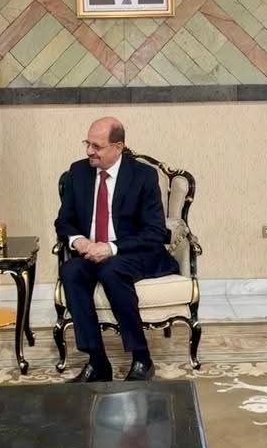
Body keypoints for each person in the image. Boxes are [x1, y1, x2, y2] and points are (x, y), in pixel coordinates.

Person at [55, 116, 179, 383]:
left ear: (118, 146)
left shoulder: (142, 176)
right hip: (90, 252)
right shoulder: (78, 172)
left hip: (133, 252)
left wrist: (111, 248)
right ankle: (97, 361)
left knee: (112, 270)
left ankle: (142, 358)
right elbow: (63, 222)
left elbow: (155, 231)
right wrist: (79, 241)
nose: (89, 151)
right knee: (71, 270)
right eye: (87, 143)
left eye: (97, 146)